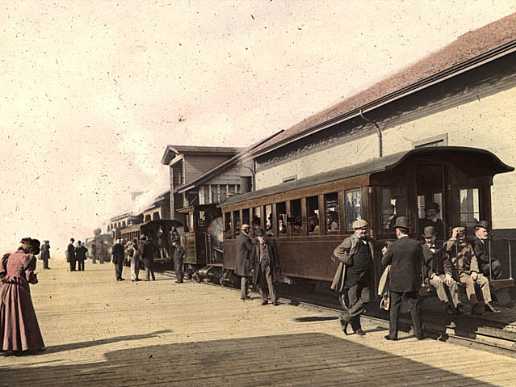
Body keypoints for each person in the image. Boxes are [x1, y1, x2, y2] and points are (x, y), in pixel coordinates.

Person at [382, 216, 424, 340]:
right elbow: (421, 261)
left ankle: (393, 334)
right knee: (414, 306)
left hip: (396, 282)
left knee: (394, 307)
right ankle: (419, 333)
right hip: (412, 281)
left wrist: (385, 253)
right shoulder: (416, 244)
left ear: (398, 231)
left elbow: (384, 262)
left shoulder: (393, 245)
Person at [0, 238, 45, 354]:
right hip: (19, 289)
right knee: (22, 316)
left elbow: (3, 274)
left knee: (8, 316)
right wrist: (34, 279)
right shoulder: (29, 257)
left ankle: (6, 345)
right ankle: (23, 346)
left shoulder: (9, 256)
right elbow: (29, 277)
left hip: (5, 289)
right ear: (31, 249)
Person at [331, 219, 375, 336]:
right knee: (353, 302)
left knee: (366, 299)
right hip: (352, 277)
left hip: (365, 276)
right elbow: (337, 251)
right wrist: (348, 260)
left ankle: (346, 317)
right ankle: (357, 328)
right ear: (355, 230)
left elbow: (378, 244)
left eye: (365, 229)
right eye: (360, 229)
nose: (363, 231)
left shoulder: (369, 241)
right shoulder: (350, 240)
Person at [444, 227, 499, 314]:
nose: (461, 238)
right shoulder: (451, 245)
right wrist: (453, 237)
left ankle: (487, 303)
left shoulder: (468, 246)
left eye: (463, 236)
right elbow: (447, 248)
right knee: (469, 281)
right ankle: (474, 304)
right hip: (457, 273)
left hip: (468, 271)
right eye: (459, 236)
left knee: (484, 280)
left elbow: (473, 259)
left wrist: (474, 271)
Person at [421, 226, 461, 314]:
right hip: (428, 277)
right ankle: (446, 304)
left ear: (434, 237)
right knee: (439, 283)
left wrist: (448, 274)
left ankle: (456, 305)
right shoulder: (422, 249)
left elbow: (446, 262)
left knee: (452, 282)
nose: (428, 240)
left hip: (441, 274)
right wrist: (432, 275)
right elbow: (423, 266)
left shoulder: (440, 249)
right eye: (427, 238)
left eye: (430, 238)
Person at [253, 229, 280, 306]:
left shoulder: (270, 242)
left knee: (270, 281)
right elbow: (252, 255)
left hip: (268, 263)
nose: (261, 238)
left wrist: (277, 264)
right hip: (259, 264)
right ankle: (264, 299)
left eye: (262, 236)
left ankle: (273, 299)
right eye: (260, 236)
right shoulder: (255, 243)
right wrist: (251, 266)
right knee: (261, 282)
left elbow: (275, 254)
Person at [235, 224, 254, 301]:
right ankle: (244, 295)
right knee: (245, 278)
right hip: (245, 260)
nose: (249, 231)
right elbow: (250, 248)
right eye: (248, 229)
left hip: (240, 260)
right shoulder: (245, 238)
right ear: (246, 230)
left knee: (244, 277)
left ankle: (244, 294)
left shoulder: (239, 237)